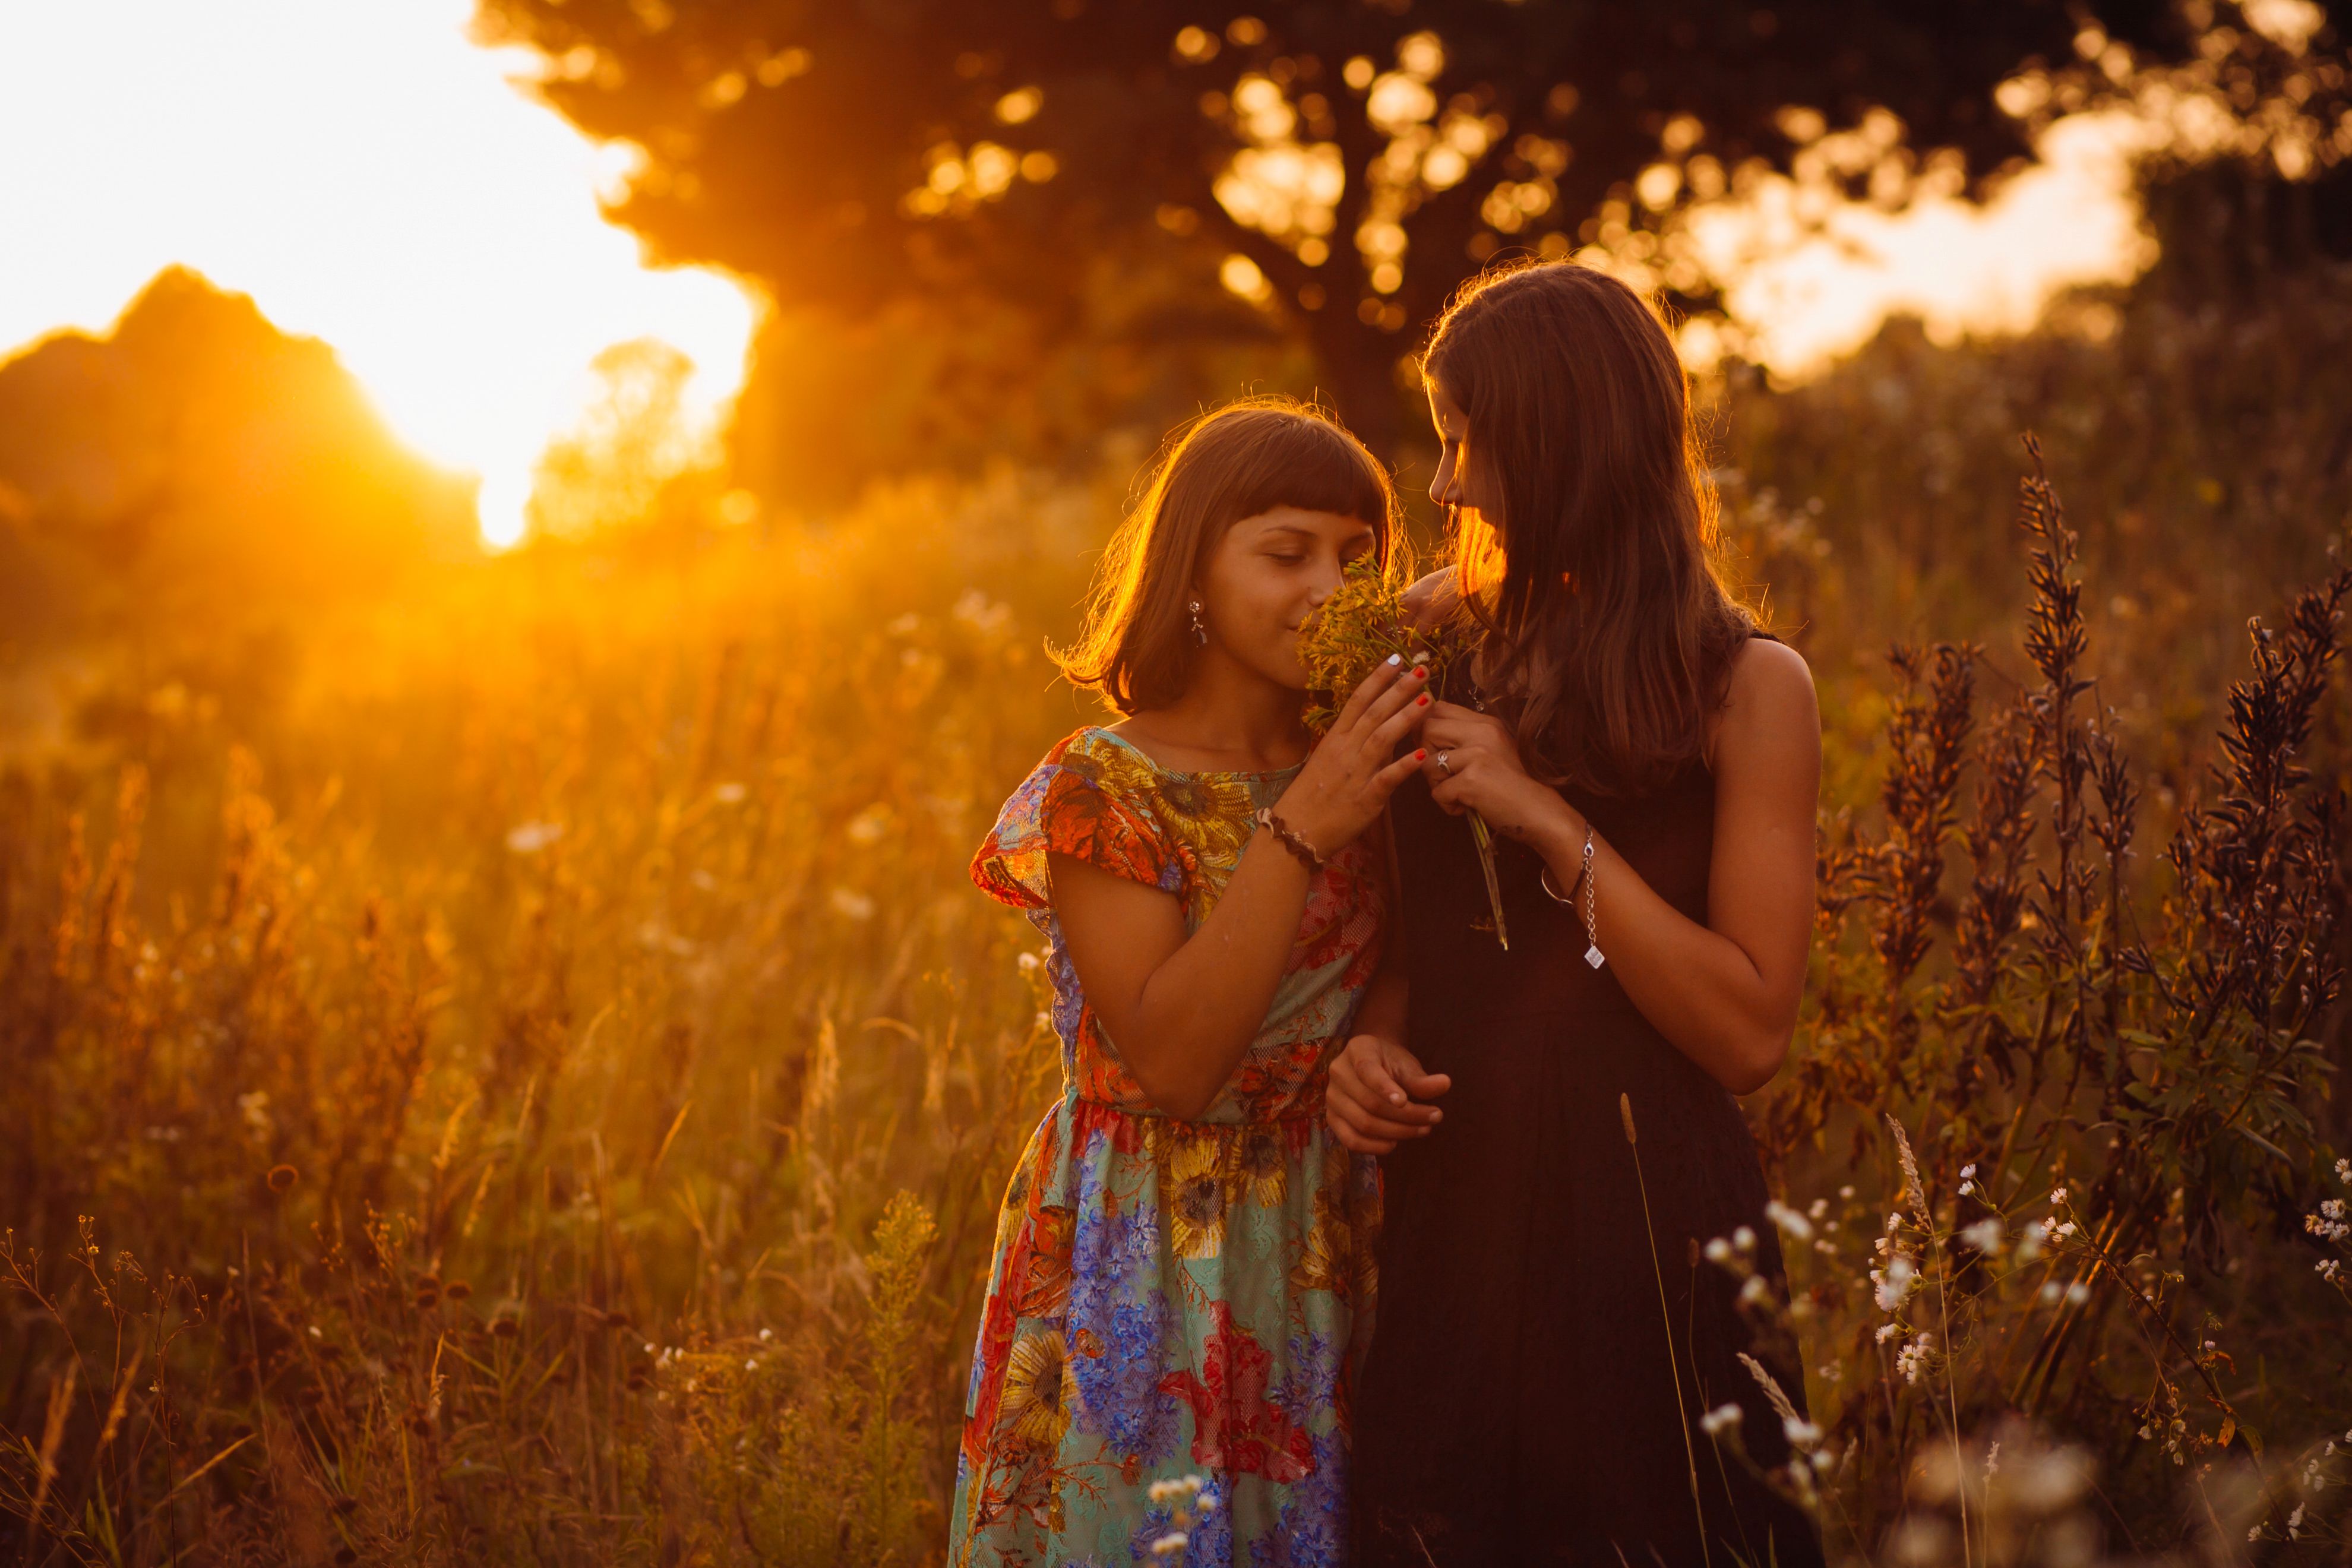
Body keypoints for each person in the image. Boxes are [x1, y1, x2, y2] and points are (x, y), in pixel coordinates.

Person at [1326, 262, 1828, 1567]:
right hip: (1457, 1208)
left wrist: (1550, 821)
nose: (1440, 488)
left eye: (1463, 440)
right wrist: (1370, 1045)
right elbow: (1419, 942)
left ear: (1561, 443)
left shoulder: (1748, 687)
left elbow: (1747, 1032)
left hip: (1653, 1222)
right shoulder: (1434, 653)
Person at [951, 398, 1429, 1566]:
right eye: (1285, 552)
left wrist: (1379, 1034)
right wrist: (1306, 827)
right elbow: (1171, 1063)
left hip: (1326, 1242)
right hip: (1146, 1254)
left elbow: (1419, 949)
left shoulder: (1372, 755)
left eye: (1356, 560)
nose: (1327, 584)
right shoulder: (1103, 787)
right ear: (1195, 570)